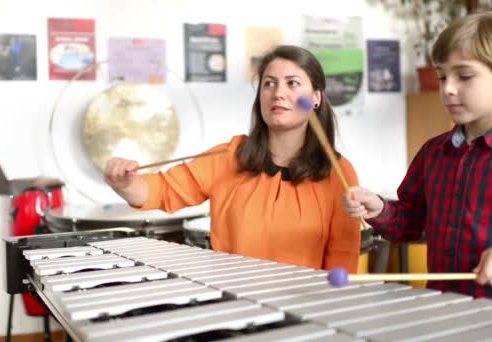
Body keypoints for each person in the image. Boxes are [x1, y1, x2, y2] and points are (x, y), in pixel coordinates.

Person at [104, 45, 361, 272]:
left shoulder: (339, 173)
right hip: (235, 307)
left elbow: (343, 260)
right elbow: (162, 190)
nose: (278, 93)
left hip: (306, 311)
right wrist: (126, 185)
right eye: (269, 83)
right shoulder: (229, 157)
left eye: (292, 83)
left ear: (315, 98)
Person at [343, 12, 492, 302]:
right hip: (445, 307)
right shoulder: (434, 153)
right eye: (442, 76)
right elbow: (411, 222)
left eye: (464, 76)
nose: (448, 88)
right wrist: (381, 210)